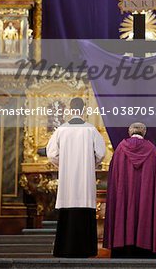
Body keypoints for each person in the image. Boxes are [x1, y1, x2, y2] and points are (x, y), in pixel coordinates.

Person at [46, 97, 106, 258]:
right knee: (85, 214)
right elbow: (101, 153)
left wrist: (64, 164)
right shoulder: (90, 130)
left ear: (70, 110)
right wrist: (90, 164)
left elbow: (51, 153)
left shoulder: (61, 130)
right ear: (84, 109)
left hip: (67, 181)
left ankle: (64, 249)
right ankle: (86, 249)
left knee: (67, 214)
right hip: (85, 181)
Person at [103, 122, 156, 258]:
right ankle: (145, 248)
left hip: (124, 194)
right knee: (145, 210)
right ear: (144, 133)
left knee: (123, 209)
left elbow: (114, 177)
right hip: (145, 196)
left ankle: (123, 247)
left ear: (130, 132)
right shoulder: (152, 150)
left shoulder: (120, 149)